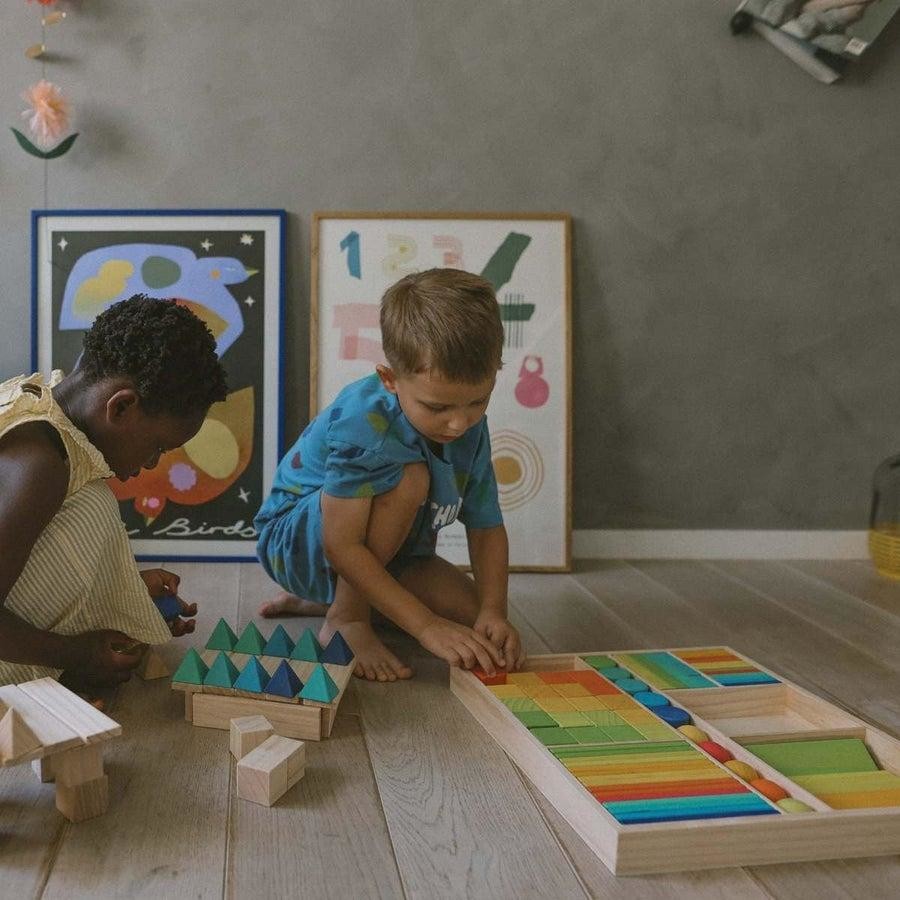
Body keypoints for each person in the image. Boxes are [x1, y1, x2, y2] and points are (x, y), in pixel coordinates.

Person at [255, 268, 524, 682]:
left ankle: (333, 599)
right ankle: (345, 617)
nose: (459, 423)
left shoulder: (467, 425)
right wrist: (425, 626)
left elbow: (487, 528)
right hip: (301, 543)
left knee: (475, 623)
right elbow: (342, 545)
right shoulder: (364, 425)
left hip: (393, 551)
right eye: (437, 408)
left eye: (478, 400)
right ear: (389, 379)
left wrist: (494, 610)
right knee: (409, 477)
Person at [0, 295, 228, 687]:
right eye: (159, 446)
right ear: (121, 407)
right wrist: (81, 655)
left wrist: (124, 590)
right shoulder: (40, 464)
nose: (154, 464)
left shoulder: (41, 407)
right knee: (92, 505)